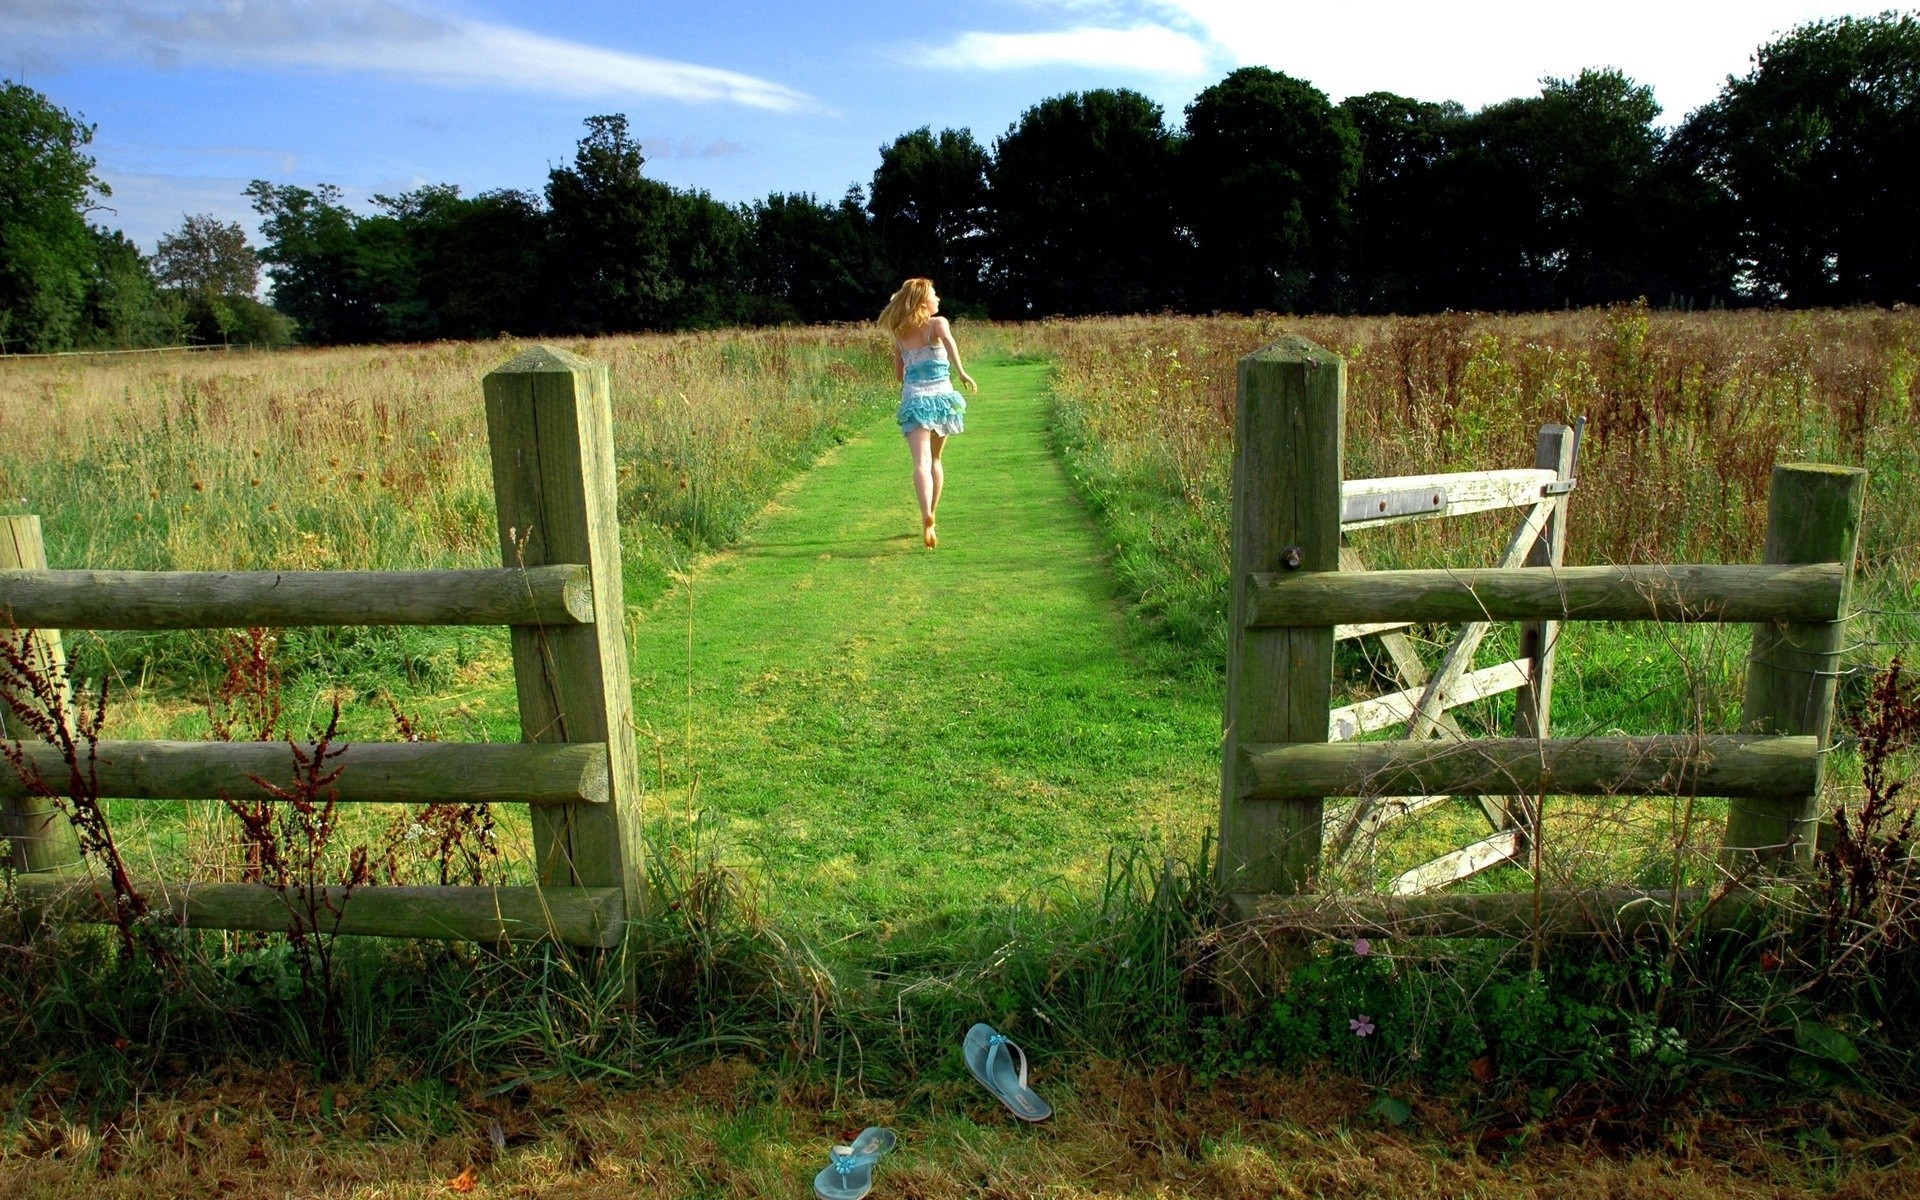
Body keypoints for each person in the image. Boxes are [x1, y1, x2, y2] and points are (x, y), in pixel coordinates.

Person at [878, 278, 976, 549]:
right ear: (924, 302)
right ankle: (934, 512)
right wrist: (962, 373)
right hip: (942, 397)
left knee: (920, 462)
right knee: (935, 459)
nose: (938, 299)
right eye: (935, 295)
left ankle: (925, 516)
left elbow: (900, 375)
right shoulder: (938, 324)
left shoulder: (899, 333)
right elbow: (950, 345)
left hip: (915, 399)